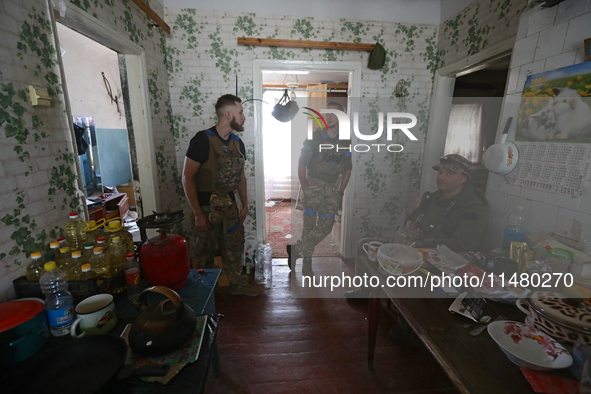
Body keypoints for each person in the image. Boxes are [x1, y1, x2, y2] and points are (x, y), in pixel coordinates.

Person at [345, 153, 488, 298]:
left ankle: (398, 310)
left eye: (449, 174)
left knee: (401, 272)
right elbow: (411, 222)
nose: (441, 177)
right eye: (440, 172)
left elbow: (467, 243)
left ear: (464, 178)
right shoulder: (432, 198)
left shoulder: (471, 207)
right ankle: (364, 292)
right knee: (365, 244)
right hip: (413, 246)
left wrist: (422, 243)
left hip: (434, 257)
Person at [182, 94, 261, 296]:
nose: (244, 116)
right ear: (228, 114)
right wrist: (198, 214)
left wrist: (244, 205)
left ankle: (238, 284)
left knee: (234, 247)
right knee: (203, 251)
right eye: (240, 112)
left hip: (230, 206)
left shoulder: (237, 143)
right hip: (206, 207)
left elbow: (241, 177)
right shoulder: (202, 140)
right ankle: (203, 290)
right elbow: (187, 178)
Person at [287, 101, 352, 274]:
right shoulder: (314, 136)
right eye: (327, 113)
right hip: (313, 184)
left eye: (334, 113)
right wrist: (304, 186)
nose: (329, 116)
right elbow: (301, 163)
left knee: (326, 226)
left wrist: (340, 192)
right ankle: (307, 260)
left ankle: (296, 249)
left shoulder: (346, 140)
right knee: (308, 224)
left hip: (332, 188)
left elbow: (347, 169)